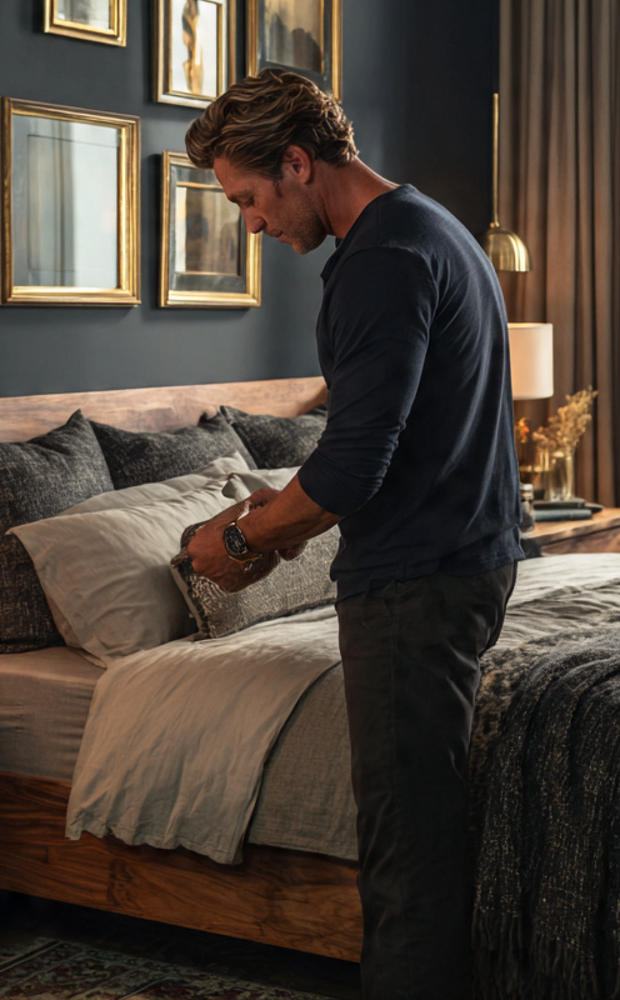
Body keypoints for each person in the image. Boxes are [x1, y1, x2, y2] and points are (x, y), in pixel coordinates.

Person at [184, 69, 523, 1000]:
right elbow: (380, 445)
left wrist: (248, 546)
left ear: (297, 162)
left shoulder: (380, 260)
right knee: (423, 829)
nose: (250, 224)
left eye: (250, 197)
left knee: (405, 856)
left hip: (414, 584)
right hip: (471, 558)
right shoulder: (432, 225)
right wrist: (278, 522)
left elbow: (351, 466)